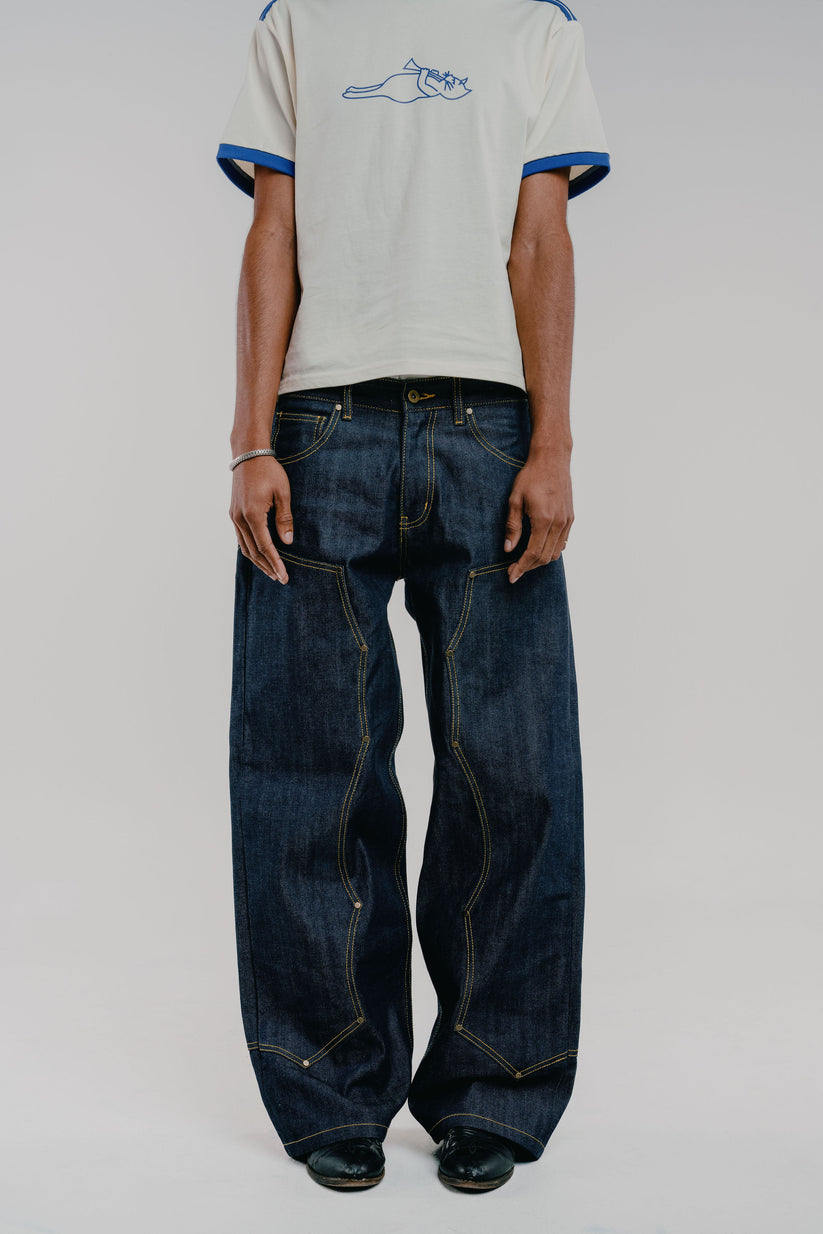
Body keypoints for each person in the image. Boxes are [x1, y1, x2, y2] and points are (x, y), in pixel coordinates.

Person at [216, 0, 610, 1193]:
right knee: (307, 771)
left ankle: (495, 1084)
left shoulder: (535, 27)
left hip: (489, 425)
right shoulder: (298, 20)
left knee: (515, 774)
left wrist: (553, 445)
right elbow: (272, 230)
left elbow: (539, 239)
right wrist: (249, 440)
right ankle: (330, 1085)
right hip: (317, 422)